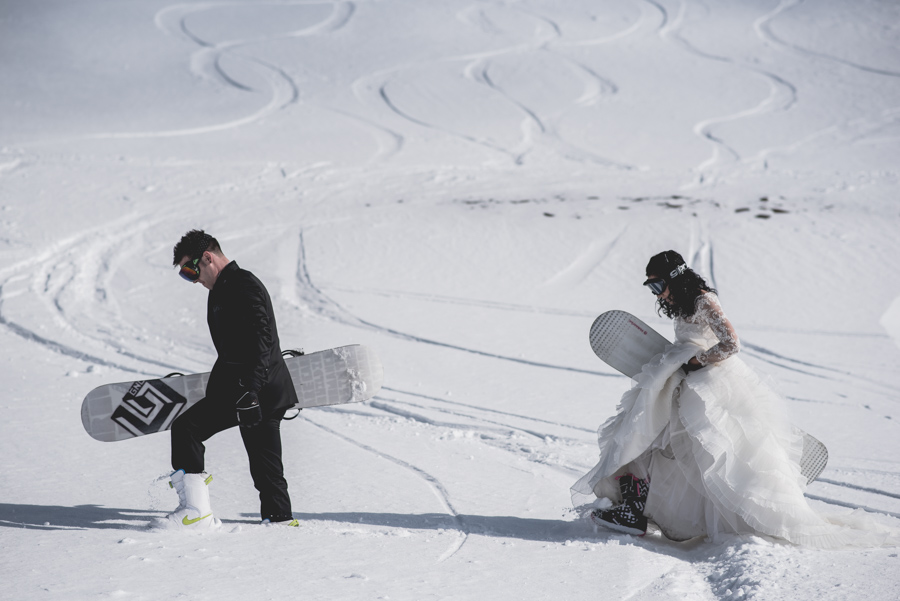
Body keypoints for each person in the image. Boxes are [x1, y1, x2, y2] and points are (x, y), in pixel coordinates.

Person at [571, 250, 899, 547]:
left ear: (674, 279)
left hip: (710, 384)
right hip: (684, 381)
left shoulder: (703, 301)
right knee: (647, 436)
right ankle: (632, 508)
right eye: (653, 290)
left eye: (659, 287)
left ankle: (647, 511)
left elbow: (731, 344)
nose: (659, 296)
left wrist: (697, 361)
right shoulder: (687, 305)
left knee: (715, 453)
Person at [164, 229, 299, 529]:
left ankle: (197, 514)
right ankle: (278, 520)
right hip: (247, 391)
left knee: (188, 430)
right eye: (186, 274)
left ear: (208, 258)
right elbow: (233, 350)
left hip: (256, 392)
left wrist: (250, 391)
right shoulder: (222, 289)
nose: (193, 279)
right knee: (264, 469)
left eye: (190, 270)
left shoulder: (242, 285)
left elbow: (261, 341)